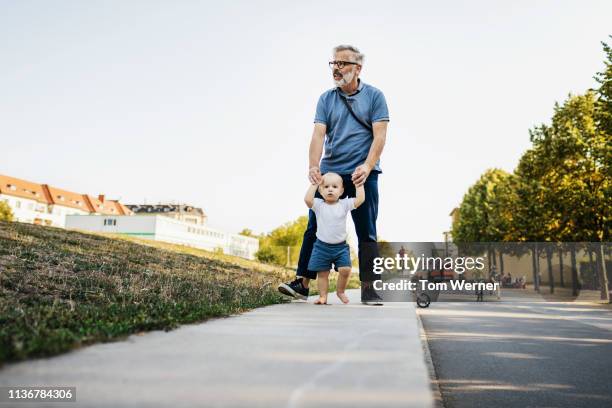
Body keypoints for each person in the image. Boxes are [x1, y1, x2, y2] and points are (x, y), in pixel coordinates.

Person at [278, 44, 389, 305]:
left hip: (363, 173)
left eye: (343, 64)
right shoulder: (326, 99)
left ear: (357, 68)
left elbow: (380, 135)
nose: (336, 69)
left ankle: (370, 288)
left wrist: (368, 166)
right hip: (331, 174)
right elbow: (318, 134)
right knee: (314, 227)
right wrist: (313, 166)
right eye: (334, 64)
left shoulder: (375, 96)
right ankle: (302, 283)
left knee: (367, 231)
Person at [304, 172, 365, 304]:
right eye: (326, 187)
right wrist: (314, 184)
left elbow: (360, 200)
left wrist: (359, 185)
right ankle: (323, 296)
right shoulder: (319, 204)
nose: (330, 189)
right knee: (323, 274)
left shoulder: (344, 204)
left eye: (334, 187)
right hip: (321, 246)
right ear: (321, 190)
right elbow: (308, 200)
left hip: (340, 247)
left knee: (346, 269)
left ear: (342, 190)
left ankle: (340, 291)